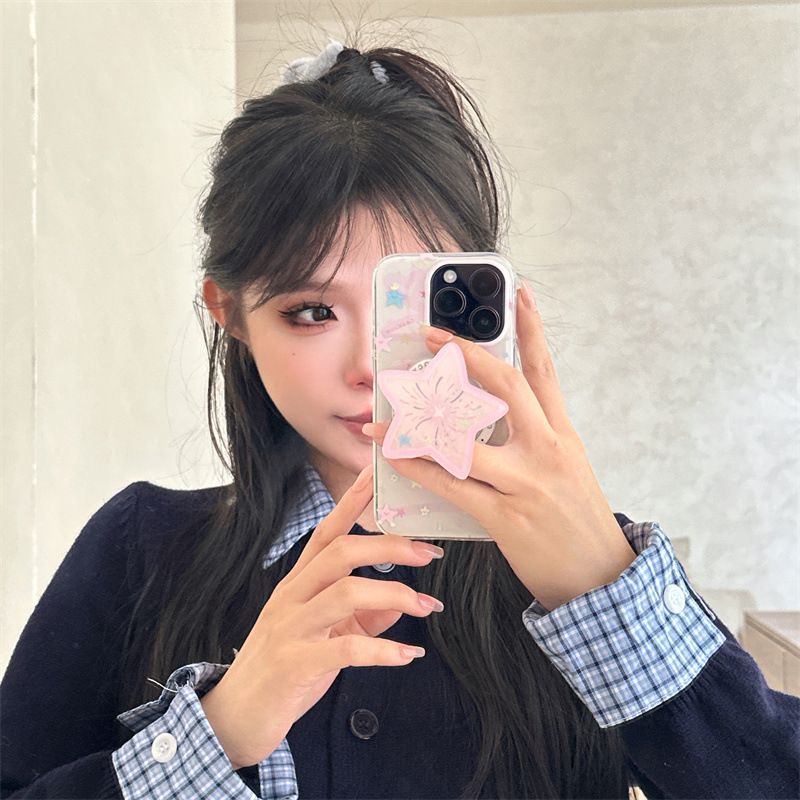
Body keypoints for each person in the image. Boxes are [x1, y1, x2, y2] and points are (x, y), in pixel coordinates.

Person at [1, 40, 797, 800]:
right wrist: (222, 729)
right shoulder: (139, 548)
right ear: (229, 312)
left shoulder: (580, 569)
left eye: (406, 305)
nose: (370, 366)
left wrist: (607, 591)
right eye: (312, 310)